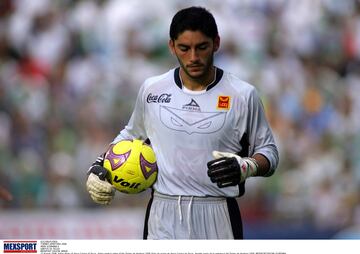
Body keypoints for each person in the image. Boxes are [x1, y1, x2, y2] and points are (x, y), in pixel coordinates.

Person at [86, 6, 279, 239]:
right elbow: (130, 135)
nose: (194, 57)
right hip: (162, 213)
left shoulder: (243, 95)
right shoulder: (152, 89)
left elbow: (269, 152)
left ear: (216, 43)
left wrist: (246, 167)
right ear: (172, 46)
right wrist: (99, 165)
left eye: (202, 47)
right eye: (184, 49)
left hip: (218, 214)